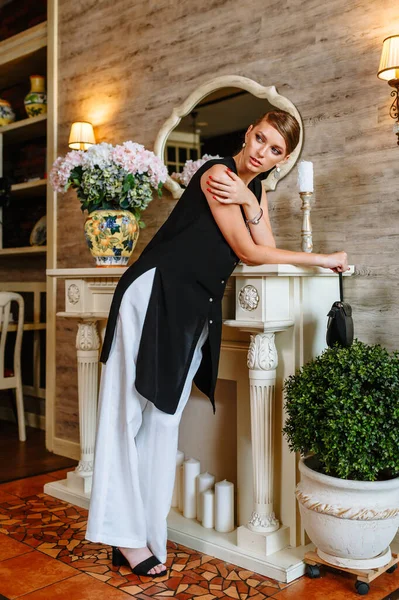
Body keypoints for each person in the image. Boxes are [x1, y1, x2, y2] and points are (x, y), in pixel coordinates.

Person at [85, 109, 349, 578]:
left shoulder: (253, 188)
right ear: (248, 131)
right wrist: (321, 258)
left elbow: (263, 243)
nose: (261, 152)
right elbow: (249, 252)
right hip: (152, 294)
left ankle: (142, 534)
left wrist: (252, 204)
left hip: (190, 310)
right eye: (260, 138)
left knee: (163, 421)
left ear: (280, 161)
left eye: (274, 151)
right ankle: (122, 537)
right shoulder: (216, 173)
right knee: (124, 413)